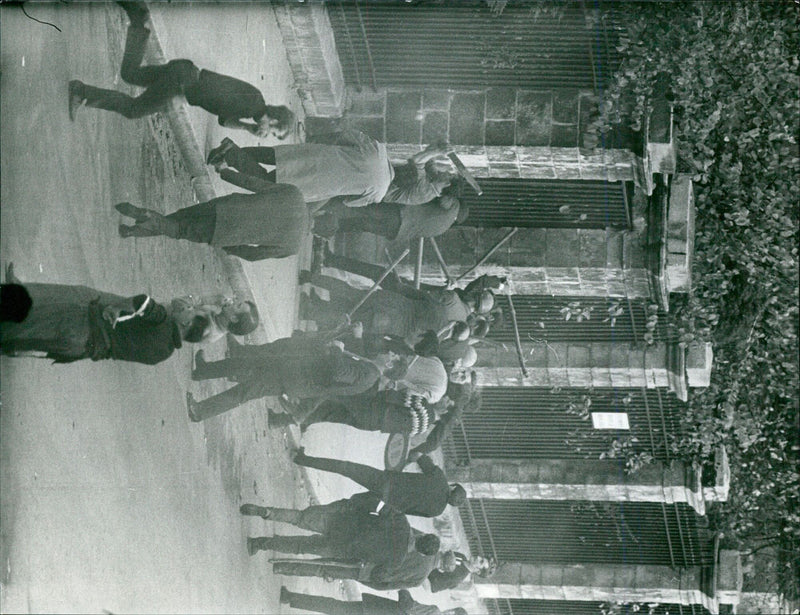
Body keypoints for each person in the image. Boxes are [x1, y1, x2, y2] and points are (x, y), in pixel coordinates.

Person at [68, 2, 294, 139]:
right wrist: (180, 98)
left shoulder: (253, 104)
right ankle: (81, 92)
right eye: (272, 132)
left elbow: (223, 120)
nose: (266, 134)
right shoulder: (251, 103)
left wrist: (247, 128)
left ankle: (138, 19)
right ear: (273, 121)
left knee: (130, 75)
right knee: (133, 110)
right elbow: (214, 90)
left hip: (184, 72)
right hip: (182, 83)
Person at [0, 264, 208, 365]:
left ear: (186, 322)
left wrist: (117, 308)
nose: (185, 308)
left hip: (81, 324)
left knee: (28, 322)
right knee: (22, 340)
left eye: (189, 311)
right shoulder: (163, 355)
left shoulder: (163, 320)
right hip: (82, 349)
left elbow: (142, 301)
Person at [185, 329, 381, 422]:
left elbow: (338, 372)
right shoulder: (369, 372)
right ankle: (204, 371)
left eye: (391, 355)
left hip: (296, 378)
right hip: (296, 370)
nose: (389, 352)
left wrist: (337, 351)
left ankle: (200, 411)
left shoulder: (368, 374)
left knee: (245, 391)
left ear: (388, 364)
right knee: (246, 363)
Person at [113, 179, 309, 262]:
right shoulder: (293, 246)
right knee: (180, 230)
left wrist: (226, 172)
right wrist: (230, 247)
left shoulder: (295, 194)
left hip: (225, 206)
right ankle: (146, 217)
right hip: (224, 233)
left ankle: (134, 231)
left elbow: (255, 184)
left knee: (182, 216)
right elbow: (254, 255)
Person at [207, 131, 394, 211]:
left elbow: (345, 134)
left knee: (275, 156)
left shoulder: (379, 150)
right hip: (319, 184)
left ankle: (228, 151)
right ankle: (230, 153)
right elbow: (347, 202)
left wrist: (319, 140)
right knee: (268, 183)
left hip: (321, 156)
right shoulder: (378, 194)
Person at [301, 272, 487, 346]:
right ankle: (311, 312)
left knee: (352, 294)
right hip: (389, 325)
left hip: (393, 302)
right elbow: (405, 343)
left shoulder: (440, 310)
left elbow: (416, 294)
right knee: (351, 319)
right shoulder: (435, 339)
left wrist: (398, 287)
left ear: (457, 323)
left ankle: (310, 277)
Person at [292, 447, 466, 518]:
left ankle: (303, 459)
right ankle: (308, 515)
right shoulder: (436, 511)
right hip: (385, 503)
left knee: (346, 468)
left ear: (453, 487)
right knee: (347, 506)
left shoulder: (439, 478)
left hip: (386, 481)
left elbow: (417, 455)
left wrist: (403, 464)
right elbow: (409, 512)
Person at [314, 193, 468, 248]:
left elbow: (442, 201)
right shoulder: (444, 229)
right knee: (361, 224)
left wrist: (442, 194)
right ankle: (322, 228)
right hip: (396, 231)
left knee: (362, 208)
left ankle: (323, 203)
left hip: (400, 214)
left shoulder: (455, 205)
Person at [278, 586, 468, 615]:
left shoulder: (434, 611)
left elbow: (408, 607)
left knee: (335, 607)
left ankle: (290, 597)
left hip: (374, 612)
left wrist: (403, 589)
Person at [382, 141, 458, 206]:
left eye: (450, 174)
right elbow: (429, 156)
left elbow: (417, 161)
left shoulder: (426, 192)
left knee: (413, 175)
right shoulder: (435, 179)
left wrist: (437, 151)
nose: (447, 171)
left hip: (383, 189)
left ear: (447, 183)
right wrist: (441, 147)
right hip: (389, 178)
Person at [168, 294, 259, 344]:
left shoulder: (204, 326)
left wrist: (205, 299)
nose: (234, 301)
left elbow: (176, 304)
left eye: (238, 305)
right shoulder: (216, 321)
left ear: (234, 318)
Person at [428, 552, 497, 593]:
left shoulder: (457, 577)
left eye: (481, 561)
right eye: (481, 557)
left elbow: (430, 587)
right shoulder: (462, 556)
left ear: (478, 571)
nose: (478, 557)